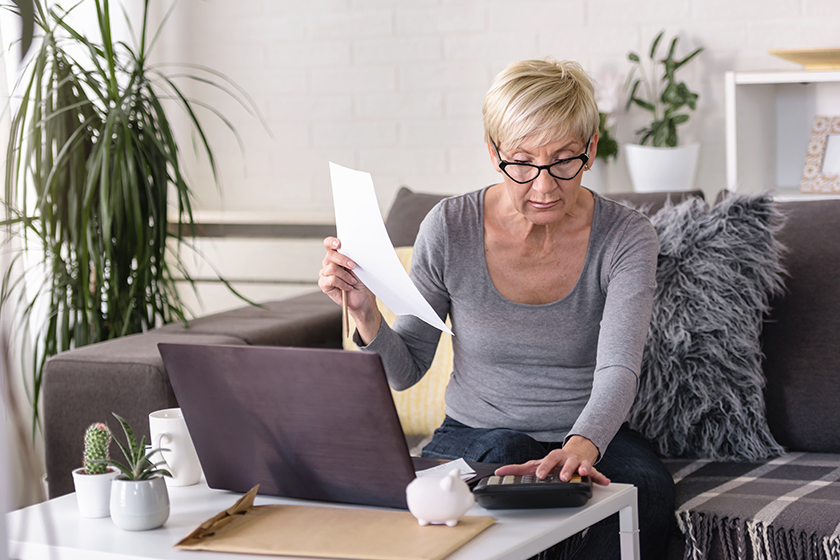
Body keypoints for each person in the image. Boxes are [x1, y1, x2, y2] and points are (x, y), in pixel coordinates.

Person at [319, 58, 675, 559]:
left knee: (645, 493)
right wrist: (365, 313)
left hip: (594, 435)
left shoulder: (627, 236)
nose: (544, 187)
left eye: (564, 160)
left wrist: (581, 447)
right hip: (477, 433)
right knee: (504, 458)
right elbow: (406, 371)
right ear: (493, 153)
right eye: (523, 162)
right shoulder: (449, 227)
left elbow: (619, 368)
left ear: (591, 150)